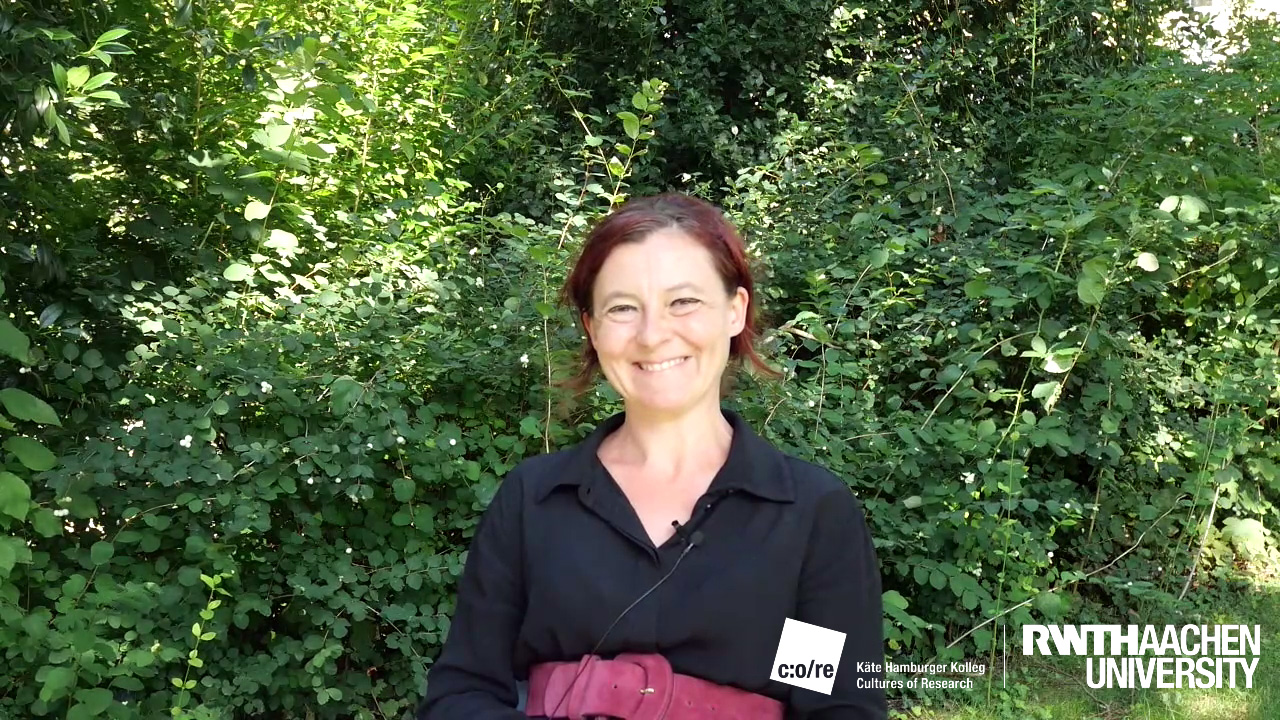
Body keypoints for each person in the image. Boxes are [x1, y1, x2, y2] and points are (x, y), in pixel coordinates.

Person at [415, 193, 889, 719]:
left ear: (735, 311)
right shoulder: (535, 500)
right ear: (593, 329)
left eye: (683, 301)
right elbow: (464, 692)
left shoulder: (807, 515)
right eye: (622, 308)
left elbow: (831, 705)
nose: (653, 334)